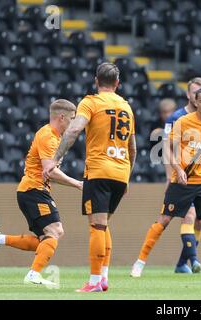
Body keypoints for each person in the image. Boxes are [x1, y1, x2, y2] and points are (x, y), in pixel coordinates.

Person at [42, 63, 137, 292]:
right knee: (104, 226)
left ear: (96, 81)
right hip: (121, 171)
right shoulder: (126, 107)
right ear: (117, 84)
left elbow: (73, 130)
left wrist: (55, 158)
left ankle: (94, 281)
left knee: (96, 227)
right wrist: (127, 176)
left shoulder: (90, 102)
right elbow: (132, 147)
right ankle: (103, 278)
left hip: (99, 171)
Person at [0, 99, 82, 286]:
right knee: (55, 231)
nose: (74, 123)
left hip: (34, 190)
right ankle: (33, 274)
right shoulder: (47, 136)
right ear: (61, 117)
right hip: (33, 189)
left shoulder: (55, 137)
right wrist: (78, 184)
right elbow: (50, 170)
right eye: (72, 119)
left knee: (43, 240)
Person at [131, 87, 201, 277]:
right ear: (196, 103)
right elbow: (167, 149)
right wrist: (178, 169)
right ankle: (139, 263)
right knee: (164, 220)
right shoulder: (183, 121)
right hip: (182, 180)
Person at [162, 78, 201, 274]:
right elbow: (166, 148)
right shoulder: (176, 118)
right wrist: (169, 176)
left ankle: (182, 264)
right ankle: (195, 261)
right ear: (189, 95)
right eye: (196, 92)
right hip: (181, 177)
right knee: (187, 216)